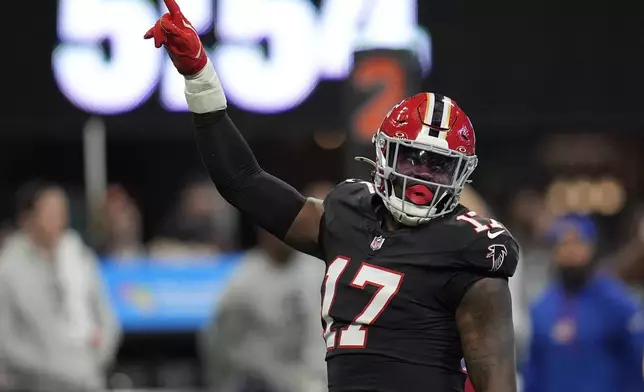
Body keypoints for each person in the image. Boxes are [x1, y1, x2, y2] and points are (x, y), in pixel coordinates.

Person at [144, 3, 520, 391]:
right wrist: (200, 76)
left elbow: (498, 384)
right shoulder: (348, 213)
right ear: (385, 154)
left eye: (437, 165)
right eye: (411, 158)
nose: (422, 176)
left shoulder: (473, 248)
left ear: (459, 173)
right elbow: (242, 182)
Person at [0, 181, 121, 391]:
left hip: (87, 375)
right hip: (35, 382)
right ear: (28, 218)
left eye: (62, 211)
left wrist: (93, 360)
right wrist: (55, 367)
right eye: (49, 211)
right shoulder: (8, 268)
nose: (58, 218)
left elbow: (108, 319)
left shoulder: (81, 257)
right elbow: (6, 339)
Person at [523, 214, 644, 392]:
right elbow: (534, 370)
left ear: (592, 247)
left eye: (577, 242)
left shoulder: (618, 303)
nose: (570, 251)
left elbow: (635, 363)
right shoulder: (541, 307)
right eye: (562, 243)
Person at [201, 228, 326, 392]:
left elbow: (318, 336)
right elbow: (220, 344)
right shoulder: (242, 282)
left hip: (308, 374)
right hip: (261, 378)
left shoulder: (316, 270)